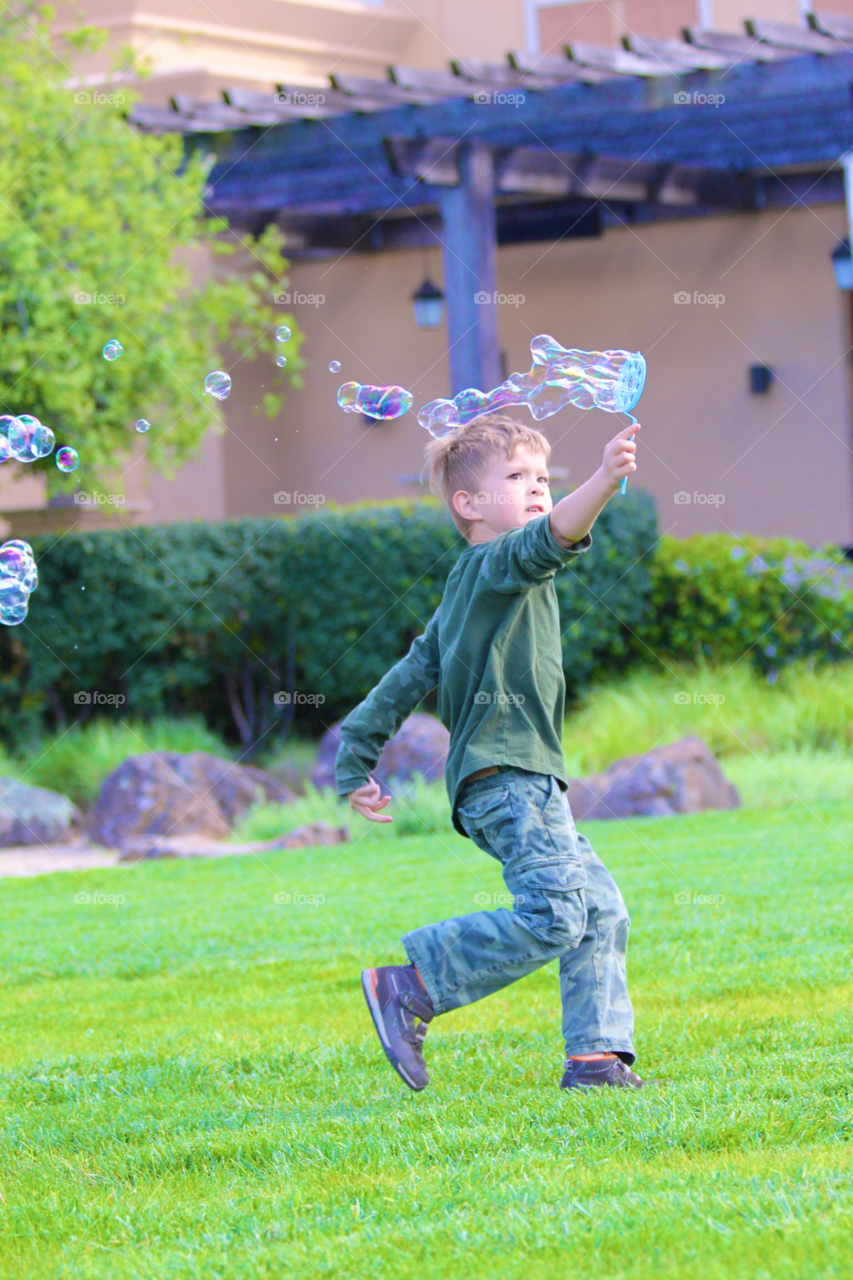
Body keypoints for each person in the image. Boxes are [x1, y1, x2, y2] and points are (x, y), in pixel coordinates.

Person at [335, 412, 645, 1092]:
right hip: (510, 781)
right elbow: (553, 538)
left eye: (543, 476)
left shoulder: (468, 589)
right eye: (517, 477)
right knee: (556, 914)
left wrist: (353, 758)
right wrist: (601, 477)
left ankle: (594, 1059)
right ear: (467, 505)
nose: (537, 488)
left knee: (598, 908)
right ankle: (410, 987)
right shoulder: (498, 562)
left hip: (510, 783)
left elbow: (410, 675)